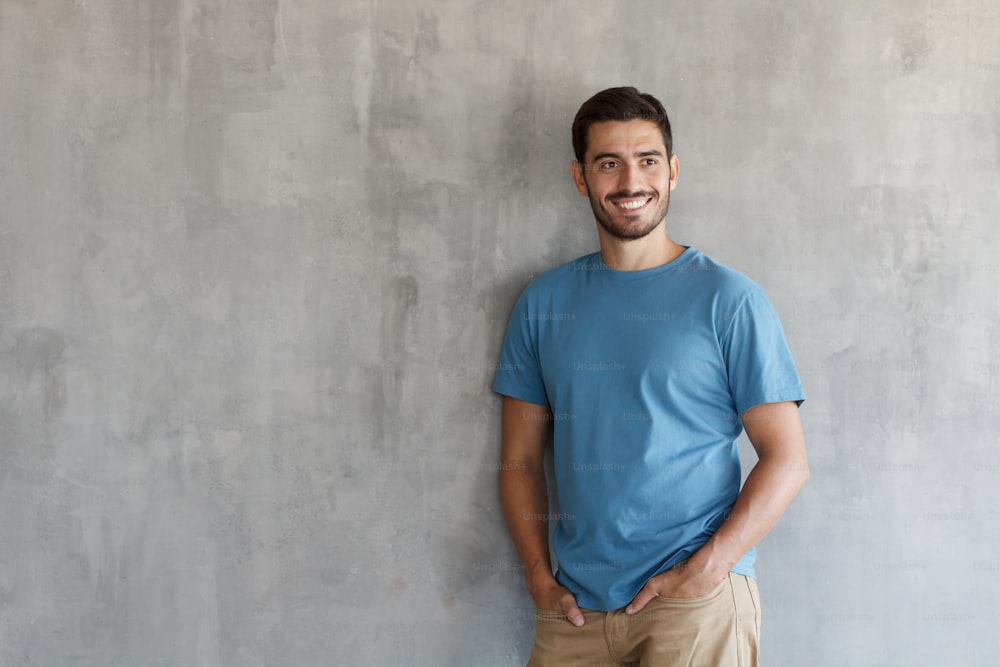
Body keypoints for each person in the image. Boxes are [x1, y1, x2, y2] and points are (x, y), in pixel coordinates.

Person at [491, 86, 809, 667]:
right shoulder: (543, 303)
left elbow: (787, 459)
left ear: (674, 171)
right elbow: (518, 461)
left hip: (694, 606)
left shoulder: (729, 300)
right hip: (576, 613)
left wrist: (709, 568)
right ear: (581, 178)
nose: (630, 181)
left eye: (648, 160)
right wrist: (540, 580)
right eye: (608, 163)